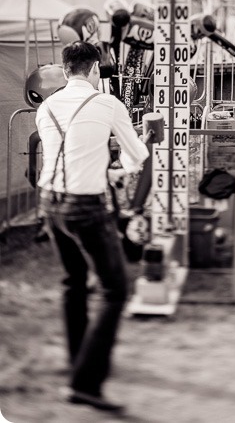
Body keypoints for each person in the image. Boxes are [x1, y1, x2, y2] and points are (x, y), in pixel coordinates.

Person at [36, 41, 149, 412]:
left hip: (50, 203)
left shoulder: (47, 107)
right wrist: (126, 162)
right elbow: (137, 157)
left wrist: (104, 167)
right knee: (115, 290)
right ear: (96, 69)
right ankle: (85, 382)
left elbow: (70, 154)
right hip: (85, 207)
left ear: (65, 70)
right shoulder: (108, 103)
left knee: (73, 282)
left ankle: (78, 359)